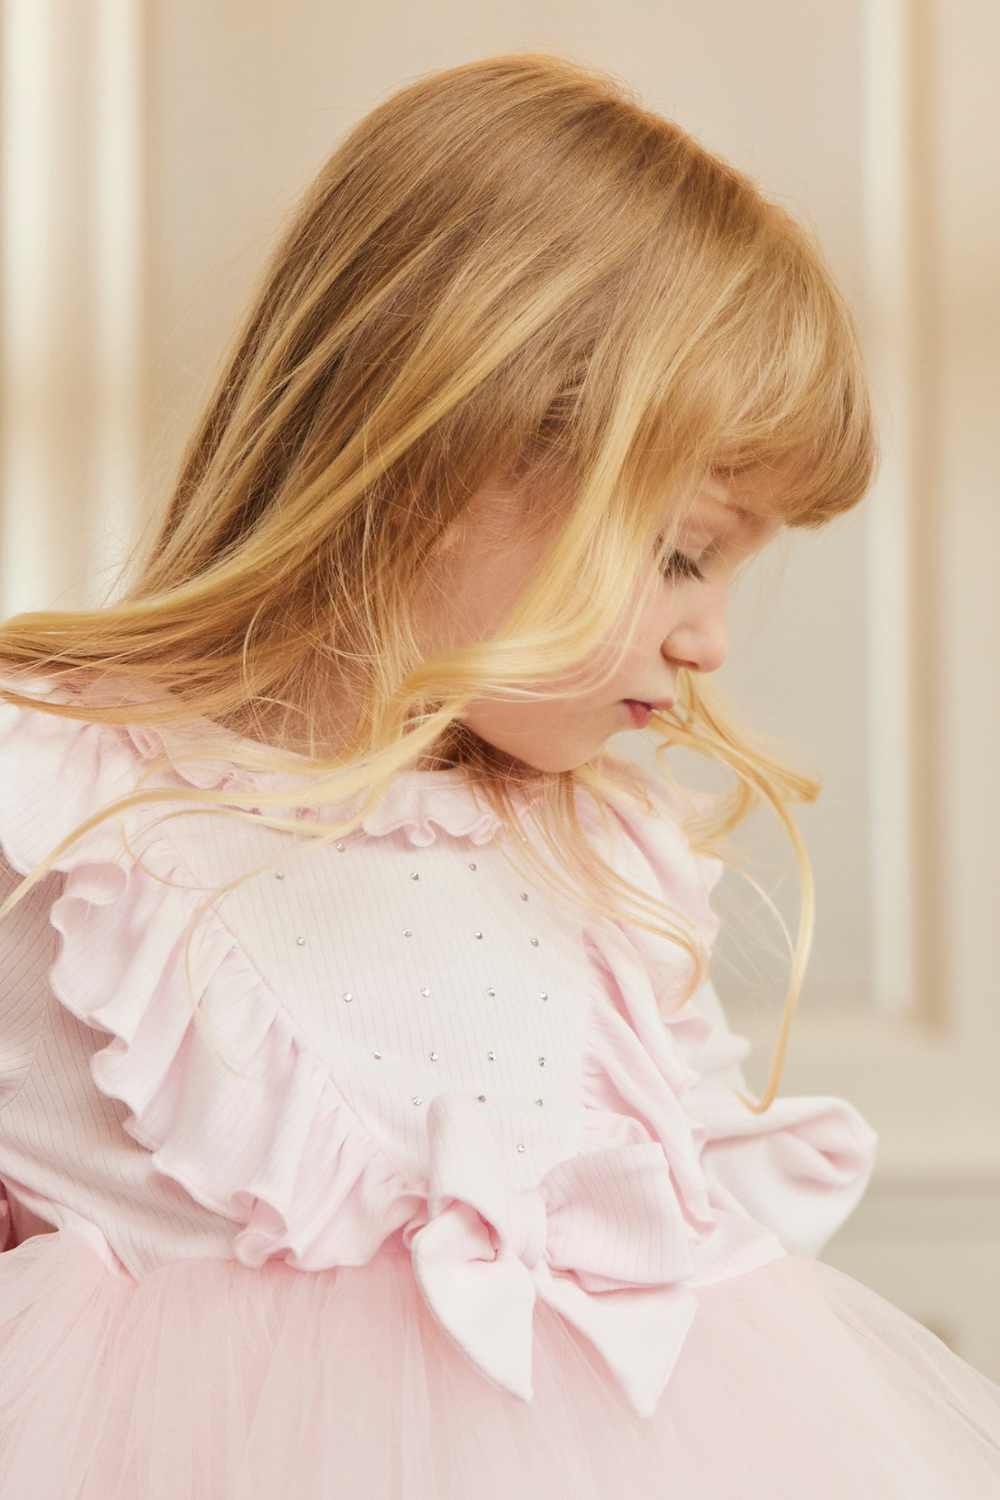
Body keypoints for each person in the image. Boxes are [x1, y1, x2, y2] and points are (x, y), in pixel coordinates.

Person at [0, 51, 996, 1499]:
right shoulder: (52, 801)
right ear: (446, 456)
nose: (712, 640)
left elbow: (711, 1257)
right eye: (682, 554)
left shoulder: (604, 858)